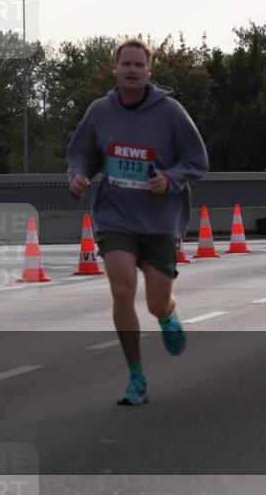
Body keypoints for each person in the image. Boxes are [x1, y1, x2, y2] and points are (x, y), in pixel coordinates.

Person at [66, 37, 209, 405]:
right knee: (122, 287)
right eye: (125, 64)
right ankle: (136, 376)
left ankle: (167, 316)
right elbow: (81, 155)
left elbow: (197, 161)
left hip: (160, 221)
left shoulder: (171, 112)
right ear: (115, 69)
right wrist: (78, 176)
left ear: (149, 71)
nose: (132, 70)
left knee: (156, 303)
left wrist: (170, 178)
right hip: (115, 216)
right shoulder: (100, 111)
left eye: (138, 65)